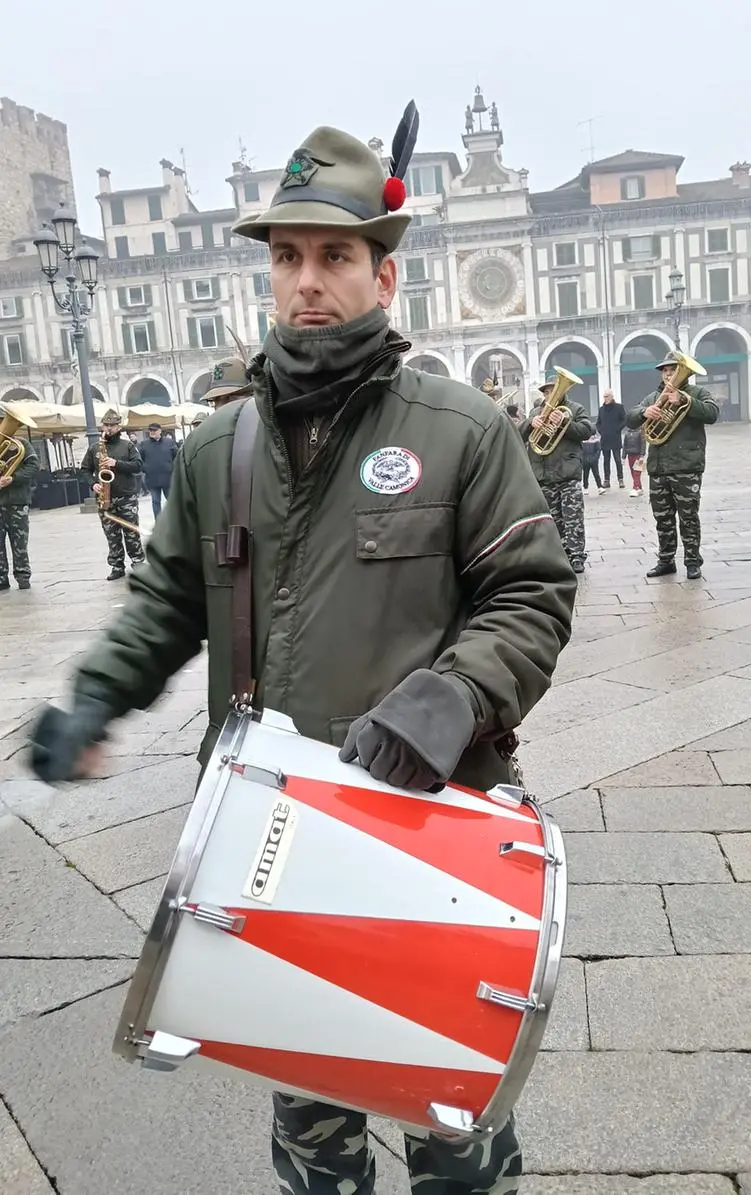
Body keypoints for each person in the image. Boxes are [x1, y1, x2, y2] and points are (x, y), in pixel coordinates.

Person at [28, 114, 576, 1195]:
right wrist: (97, 695)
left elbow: (531, 592)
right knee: (313, 1148)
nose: (308, 281)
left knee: (456, 1145)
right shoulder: (216, 447)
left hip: (435, 837)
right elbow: (167, 597)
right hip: (274, 852)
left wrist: (447, 701)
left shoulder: (462, 431)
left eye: (334, 256)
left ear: (385, 272)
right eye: (287, 258)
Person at [626, 351, 719, 579]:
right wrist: (644, 412)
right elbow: (630, 418)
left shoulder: (697, 393)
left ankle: (692, 561)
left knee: (688, 517)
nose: (668, 375)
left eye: (672, 370)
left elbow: (712, 413)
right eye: (665, 371)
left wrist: (686, 401)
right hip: (659, 467)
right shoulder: (652, 398)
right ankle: (666, 560)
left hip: (687, 466)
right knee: (663, 519)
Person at [521, 381, 593, 572]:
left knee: (573, 516)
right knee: (552, 519)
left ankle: (576, 555)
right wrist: (530, 424)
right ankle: (559, 555)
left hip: (568, 471)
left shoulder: (575, 409)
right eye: (547, 392)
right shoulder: (535, 413)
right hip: (544, 473)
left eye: (554, 390)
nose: (550, 395)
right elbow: (519, 435)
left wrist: (564, 423)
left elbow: (587, 431)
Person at [81, 410, 145, 581]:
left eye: (112, 426)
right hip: (104, 497)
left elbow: (138, 465)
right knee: (111, 533)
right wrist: (92, 483)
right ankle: (117, 566)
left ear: (119, 427)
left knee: (131, 531)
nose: (108, 428)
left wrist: (116, 463)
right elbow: (85, 470)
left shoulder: (128, 446)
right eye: (106, 425)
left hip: (126, 496)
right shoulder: (95, 448)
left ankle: (138, 561)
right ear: (102, 425)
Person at [0, 433, 38, 591]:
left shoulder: (21, 444)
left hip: (17, 501)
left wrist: (13, 478)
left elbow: (33, 466)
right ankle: (1, 578)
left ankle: (23, 576)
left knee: (20, 541)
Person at [139, 422, 177, 520]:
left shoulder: (169, 442)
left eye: (154, 430)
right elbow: (139, 460)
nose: (152, 432)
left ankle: (175, 521)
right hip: (152, 478)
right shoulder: (144, 444)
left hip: (167, 478)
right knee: (156, 501)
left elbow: (176, 456)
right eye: (150, 430)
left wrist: (172, 467)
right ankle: (159, 523)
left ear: (160, 431)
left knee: (172, 501)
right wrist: (145, 468)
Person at [596, 389, 626, 488]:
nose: (605, 398)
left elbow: (624, 420)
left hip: (615, 437)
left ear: (612, 397)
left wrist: (617, 429)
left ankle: (620, 479)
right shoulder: (601, 409)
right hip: (605, 439)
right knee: (606, 461)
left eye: (607, 396)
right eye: (604, 396)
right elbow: (598, 423)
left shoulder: (619, 407)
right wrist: (601, 431)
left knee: (617, 459)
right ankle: (606, 480)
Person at [622, 423, 645, 497]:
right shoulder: (627, 434)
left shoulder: (640, 432)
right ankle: (639, 488)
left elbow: (643, 445)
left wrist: (642, 455)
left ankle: (635, 488)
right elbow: (624, 446)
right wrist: (623, 457)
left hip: (638, 456)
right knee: (633, 473)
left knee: (637, 473)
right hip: (630, 455)